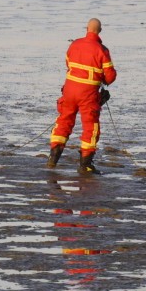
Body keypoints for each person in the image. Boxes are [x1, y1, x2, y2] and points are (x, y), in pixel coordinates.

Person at [47, 18, 117, 174]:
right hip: (88, 94)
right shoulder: (102, 50)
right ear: (100, 31)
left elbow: (68, 64)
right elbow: (110, 76)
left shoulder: (74, 44)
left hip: (69, 90)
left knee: (64, 121)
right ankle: (85, 164)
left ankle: (53, 159)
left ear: (86, 28)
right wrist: (102, 82)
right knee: (90, 127)